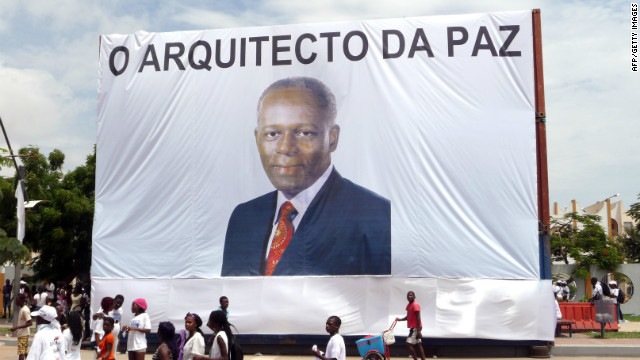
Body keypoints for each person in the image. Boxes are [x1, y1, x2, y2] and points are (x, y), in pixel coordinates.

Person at [222, 76, 391, 276]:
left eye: (304, 133)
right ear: (257, 139)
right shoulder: (244, 218)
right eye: (272, 134)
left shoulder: (377, 216)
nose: (285, 148)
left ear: (332, 138)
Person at [397, 291, 427, 360]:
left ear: (414, 297)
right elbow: (408, 316)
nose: (409, 297)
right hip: (414, 327)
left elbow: (418, 318)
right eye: (408, 295)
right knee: (419, 344)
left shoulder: (415, 305)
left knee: (408, 343)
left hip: (416, 327)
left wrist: (419, 331)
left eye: (411, 295)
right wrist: (400, 319)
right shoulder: (409, 305)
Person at [11, 294, 33, 360]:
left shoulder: (25, 310)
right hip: (24, 334)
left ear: (22, 301)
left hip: (23, 334)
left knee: (21, 352)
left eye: (17, 301)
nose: (16, 302)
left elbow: (30, 323)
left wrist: (17, 327)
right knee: (25, 351)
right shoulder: (23, 309)